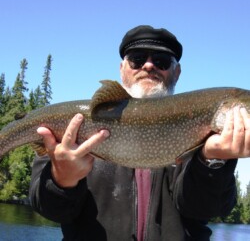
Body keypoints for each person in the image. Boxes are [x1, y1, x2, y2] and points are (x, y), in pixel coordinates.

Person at [29, 25, 250, 241]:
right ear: (122, 68)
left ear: (177, 72)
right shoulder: (72, 129)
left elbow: (203, 210)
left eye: (162, 61)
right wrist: (61, 179)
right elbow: (51, 211)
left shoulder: (205, 135)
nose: (148, 66)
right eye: (137, 59)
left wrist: (213, 162)